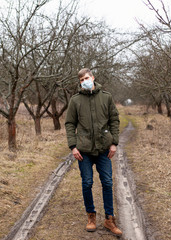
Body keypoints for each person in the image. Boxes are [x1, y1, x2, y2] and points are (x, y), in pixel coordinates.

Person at [65, 68, 122, 236]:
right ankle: (91, 216)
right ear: (80, 82)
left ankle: (109, 219)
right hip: (84, 150)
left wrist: (114, 143)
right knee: (87, 183)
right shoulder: (75, 100)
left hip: (104, 148)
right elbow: (69, 124)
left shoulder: (106, 97)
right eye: (81, 79)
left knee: (107, 183)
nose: (85, 81)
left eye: (87, 78)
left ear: (93, 77)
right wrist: (73, 146)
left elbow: (114, 120)